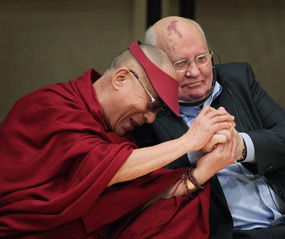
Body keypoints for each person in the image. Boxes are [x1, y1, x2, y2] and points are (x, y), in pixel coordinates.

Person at [133, 16, 285, 239]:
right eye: (180, 64)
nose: (195, 71)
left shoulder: (237, 80)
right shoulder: (147, 114)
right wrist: (197, 150)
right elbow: (150, 190)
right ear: (156, 67)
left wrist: (241, 146)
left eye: (201, 58)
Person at [0, 41, 235, 238]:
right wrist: (189, 141)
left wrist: (200, 174)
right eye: (153, 104)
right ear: (121, 78)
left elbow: (133, 203)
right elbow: (103, 169)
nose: (151, 118)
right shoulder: (50, 105)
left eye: (159, 111)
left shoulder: (122, 139)